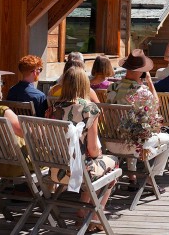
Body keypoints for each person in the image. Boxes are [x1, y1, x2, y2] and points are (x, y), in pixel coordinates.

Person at [47, 66, 118, 232]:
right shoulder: (89, 109)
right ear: (84, 85)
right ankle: (93, 217)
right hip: (80, 171)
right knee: (112, 163)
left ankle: (83, 210)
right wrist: (99, 154)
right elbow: (93, 151)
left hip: (56, 170)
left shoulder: (52, 109)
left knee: (94, 164)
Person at [107, 49, 169, 191]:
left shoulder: (112, 87)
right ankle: (152, 178)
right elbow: (156, 105)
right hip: (133, 146)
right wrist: (149, 82)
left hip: (111, 141)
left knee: (133, 129)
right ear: (142, 71)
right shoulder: (143, 92)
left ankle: (133, 179)